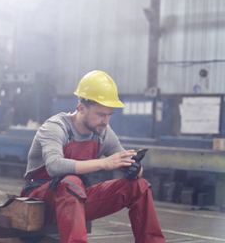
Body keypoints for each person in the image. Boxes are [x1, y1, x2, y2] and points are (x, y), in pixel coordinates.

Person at [20, 70, 165, 243]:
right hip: (40, 200)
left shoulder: (102, 132)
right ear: (81, 108)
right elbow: (54, 166)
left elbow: (127, 164)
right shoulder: (55, 127)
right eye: (101, 114)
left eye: (109, 115)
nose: (106, 121)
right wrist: (103, 163)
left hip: (75, 199)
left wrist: (135, 169)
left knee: (138, 186)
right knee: (71, 181)